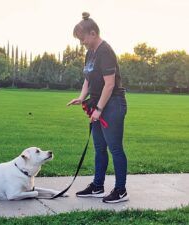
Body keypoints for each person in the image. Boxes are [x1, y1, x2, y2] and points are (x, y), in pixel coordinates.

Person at [67, 12, 129, 203]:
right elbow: (88, 78)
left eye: (82, 38)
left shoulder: (105, 52)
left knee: (115, 148)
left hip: (112, 104)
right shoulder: (90, 53)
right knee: (99, 147)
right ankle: (97, 186)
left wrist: (99, 110)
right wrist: (81, 97)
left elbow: (109, 84)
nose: (81, 43)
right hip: (98, 104)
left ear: (93, 33)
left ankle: (120, 190)